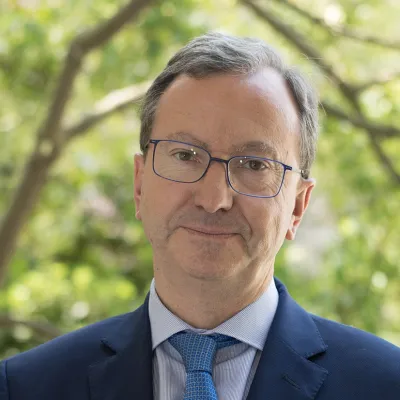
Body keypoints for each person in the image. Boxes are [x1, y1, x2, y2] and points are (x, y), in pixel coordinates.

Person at [1, 32, 399, 400]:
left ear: (297, 205)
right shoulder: (25, 387)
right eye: (185, 155)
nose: (213, 199)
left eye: (254, 164)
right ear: (140, 185)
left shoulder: (385, 384)